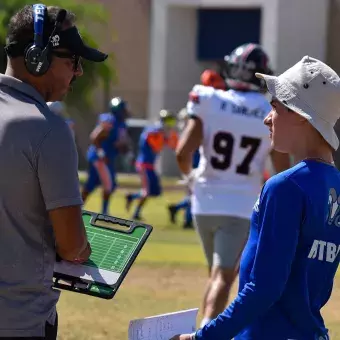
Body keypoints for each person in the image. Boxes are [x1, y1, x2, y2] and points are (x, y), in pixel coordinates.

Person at [171, 56, 340, 340]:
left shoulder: (285, 186)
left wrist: (202, 337)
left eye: (274, 107)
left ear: (299, 114)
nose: (266, 118)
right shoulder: (333, 184)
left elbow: (264, 288)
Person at [0, 4, 107, 339]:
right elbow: (72, 246)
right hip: (18, 319)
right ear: (38, 57)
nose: (78, 72)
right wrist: (84, 250)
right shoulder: (49, 129)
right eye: (73, 60)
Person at [174, 43, 291, 330]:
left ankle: (206, 327)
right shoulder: (268, 109)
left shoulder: (209, 98)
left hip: (204, 201)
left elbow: (182, 152)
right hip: (240, 203)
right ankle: (206, 331)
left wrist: (191, 179)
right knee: (224, 277)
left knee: (217, 274)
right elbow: (283, 167)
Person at [125, 110, 178, 220]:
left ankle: (132, 196)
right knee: (147, 191)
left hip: (150, 165)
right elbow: (154, 144)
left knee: (156, 192)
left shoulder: (161, 133)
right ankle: (136, 213)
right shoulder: (153, 131)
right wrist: (164, 136)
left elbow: (173, 146)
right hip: (144, 164)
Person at [82, 97, 130, 214]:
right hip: (100, 158)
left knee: (91, 184)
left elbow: (120, 142)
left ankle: (77, 208)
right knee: (109, 184)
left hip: (107, 157)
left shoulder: (121, 123)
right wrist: (101, 154)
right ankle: (104, 211)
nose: (125, 111)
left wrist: (123, 148)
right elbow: (95, 137)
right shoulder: (110, 120)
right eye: (123, 109)